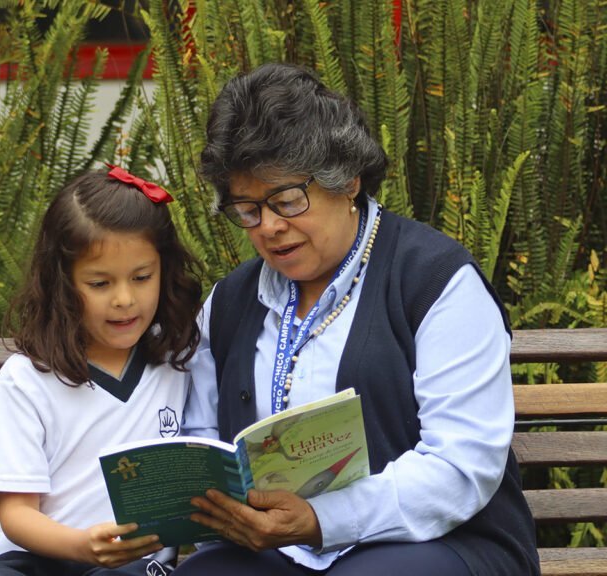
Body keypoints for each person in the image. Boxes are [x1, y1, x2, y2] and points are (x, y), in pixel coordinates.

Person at [177, 63, 540, 575]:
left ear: (347, 181)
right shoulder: (232, 302)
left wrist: (321, 520)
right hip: (273, 550)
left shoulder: (435, 281)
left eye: (286, 200)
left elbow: (461, 467)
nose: (270, 228)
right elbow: (201, 437)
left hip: (440, 543)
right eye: (248, 209)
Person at [0, 168, 202, 576]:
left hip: (134, 563)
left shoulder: (178, 359)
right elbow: (17, 514)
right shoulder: (26, 380)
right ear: (63, 284)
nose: (125, 300)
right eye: (100, 283)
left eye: (142, 277)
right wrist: (82, 547)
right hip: (41, 559)